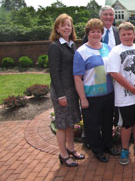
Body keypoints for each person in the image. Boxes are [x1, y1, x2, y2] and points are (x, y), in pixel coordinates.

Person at [73, 18, 119, 163]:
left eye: (98, 31)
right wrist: (83, 99)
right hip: (91, 96)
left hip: (108, 94)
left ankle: (108, 145)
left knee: (107, 123)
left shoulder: (107, 48)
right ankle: (97, 150)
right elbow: (77, 77)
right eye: (92, 31)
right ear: (87, 33)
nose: (96, 34)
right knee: (93, 126)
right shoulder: (81, 52)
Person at [107, 22, 135, 166]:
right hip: (125, 96)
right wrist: (131, 88)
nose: (127, 36)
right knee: (126, 125)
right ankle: (125, 149)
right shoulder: (115, 51)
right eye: (124, 34)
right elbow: (114, 73)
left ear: (134, 34)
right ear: (119, 36)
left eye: (129, 34)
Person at [48, 13, 85, 167]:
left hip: (72, 89)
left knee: (70, 122)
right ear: (57, 28)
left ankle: (71, 149)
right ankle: (63, 155)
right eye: (63, 25)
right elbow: (54, 73)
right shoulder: (55, 46)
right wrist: (61, 95)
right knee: (62, 124)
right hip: (62, 91)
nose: (66, 28)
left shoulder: (71, 45)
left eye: (68, 25)